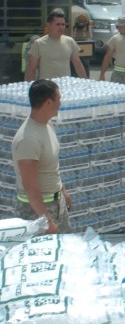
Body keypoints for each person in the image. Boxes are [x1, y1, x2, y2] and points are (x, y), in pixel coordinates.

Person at [12, 78, 72, 234]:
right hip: (37, 213)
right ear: (48, 103)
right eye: (58, 98)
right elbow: (30, 188)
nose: (60, 102)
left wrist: (62, 191)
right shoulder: (28, 140)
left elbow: (51, 166)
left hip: (55, 204)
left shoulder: (46, 125)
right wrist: (47, 221)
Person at [25, 9, 87, 80]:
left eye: (63, 24)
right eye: (58, 24)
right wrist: (29, 86)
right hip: (48, 87)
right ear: (49, 25)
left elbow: (78, 65)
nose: (61, 28)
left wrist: (86, 82)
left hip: (65, 85)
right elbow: (32, 68)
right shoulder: (39, 43)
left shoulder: (70, 41)